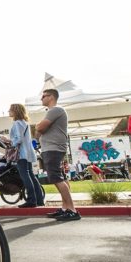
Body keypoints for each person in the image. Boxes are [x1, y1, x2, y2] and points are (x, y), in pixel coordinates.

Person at [36, 89, 80, 221]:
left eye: (43, 96)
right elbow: (39, 130)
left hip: (53, 148)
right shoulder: (52, 111)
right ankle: (65, 208)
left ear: (51, 97)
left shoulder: (56, 110)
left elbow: (40, 128)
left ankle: (72, 210)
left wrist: (39, 126)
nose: (41, 99)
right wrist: (39, 127)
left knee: (55, 177)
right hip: (52, 148)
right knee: (59, 177)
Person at [9, 104, 45, 208]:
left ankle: (31, 200)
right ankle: (39, 200)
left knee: (25, 177)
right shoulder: (25, 123)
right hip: (29, 153)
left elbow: (18, 139)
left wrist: (9, 142)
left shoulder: (16, 123)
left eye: (10, 110)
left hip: (21, 154)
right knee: (32, 176)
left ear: (15, 111)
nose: (8, 111)